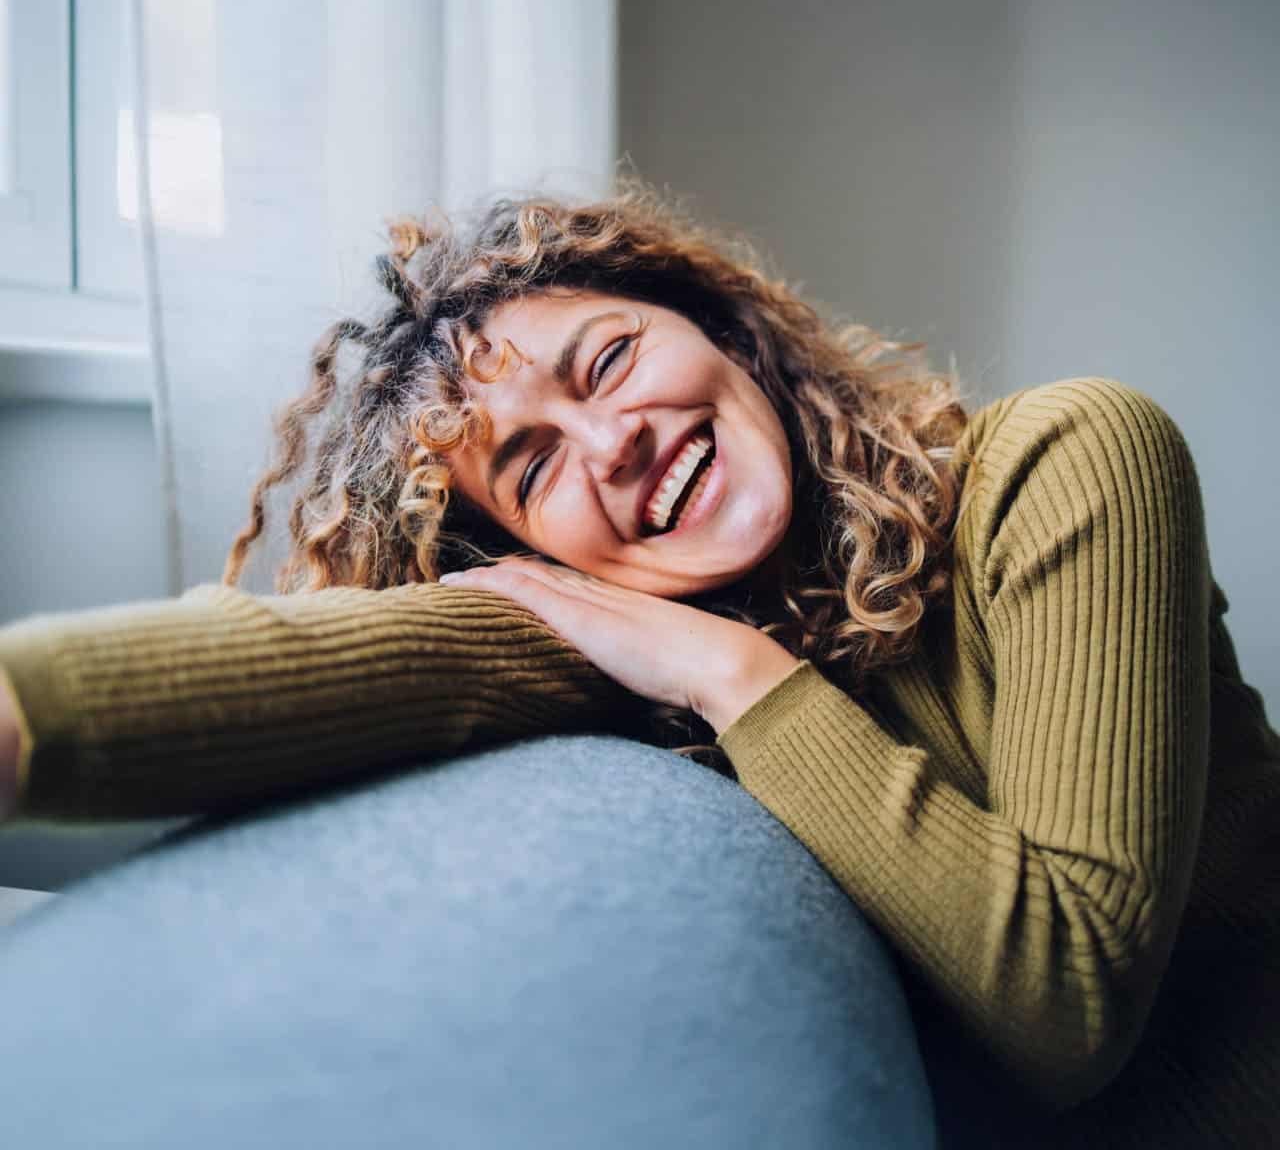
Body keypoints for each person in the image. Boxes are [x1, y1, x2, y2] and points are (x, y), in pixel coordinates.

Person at [0, 186, 1276, 1146]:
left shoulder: (1064, 460)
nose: (610, 443)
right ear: (521, 547)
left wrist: (733, 671)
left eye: (607, 360)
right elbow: (350, 655)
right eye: (535, 467)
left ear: (721, 326)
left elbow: (1068, 1004)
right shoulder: (620, 635)